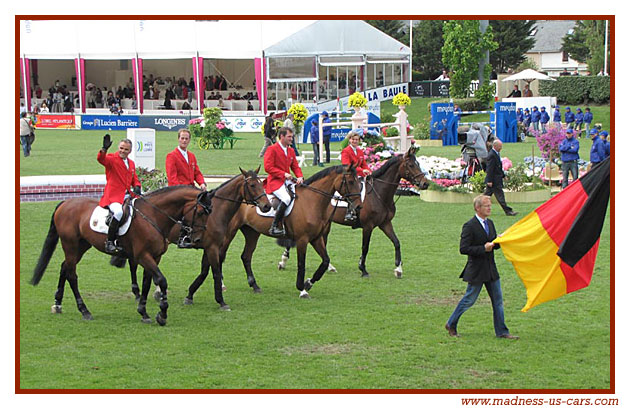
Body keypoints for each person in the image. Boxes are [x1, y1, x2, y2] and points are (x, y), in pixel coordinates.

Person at [445, 194, 518, 339]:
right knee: (469, 300)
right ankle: (451, 323)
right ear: (478, 208)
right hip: (477, 270)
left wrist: (499, 241)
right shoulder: (469, 226)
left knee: (498, 301)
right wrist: (483, 248)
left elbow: (492, 245)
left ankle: (502, 331)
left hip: (491, 270)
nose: (490, 208)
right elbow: (464, 249)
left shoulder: (490, 223)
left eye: (490, 205)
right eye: (486, 206)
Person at [97, 135, 141, 254]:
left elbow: (134, 178)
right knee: (119, 212)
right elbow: (101, 159)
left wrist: (137, 186)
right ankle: (110, 241)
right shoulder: (111, 158)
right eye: (121, 148)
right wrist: (104, 149)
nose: (123, 151)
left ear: (130, 151)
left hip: (128, 195)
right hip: (113, 197)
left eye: (126, 149)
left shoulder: (131, 163)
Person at [263, 127, 304, 237]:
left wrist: (300, 176)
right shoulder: (272, 149)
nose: (292, 139)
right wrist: (283, 174)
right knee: (286, 198)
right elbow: (268, 167)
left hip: (288, 181)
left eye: (292, 136)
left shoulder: (290, 150)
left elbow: (295, 166)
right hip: (275, 181)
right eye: (289, 137)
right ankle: (275, 226)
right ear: (281, 137)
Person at [483, 139, 517, 216]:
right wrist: (489, 180)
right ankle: (508, 211)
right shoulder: (492, 155)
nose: (501, 148)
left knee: (486, 196)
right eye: (500, 146)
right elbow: (490, 169)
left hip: (496, 179)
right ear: (495, 146)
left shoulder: (496, 154)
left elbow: (498, 167)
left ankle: (479, 206)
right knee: (500, 196)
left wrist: (503, 176)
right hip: (494, 180)